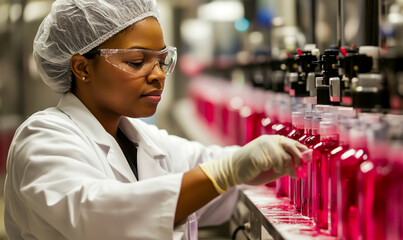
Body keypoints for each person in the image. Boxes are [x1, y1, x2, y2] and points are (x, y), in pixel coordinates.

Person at [4, 0, 307, 239]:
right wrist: (227, 172)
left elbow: (207, 163)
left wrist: (274, 156)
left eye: (162, 61)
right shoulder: (42, 139)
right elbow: (98, 216)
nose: (159, 75)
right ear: (83, 67)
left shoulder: (140, 139)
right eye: (137, 62)